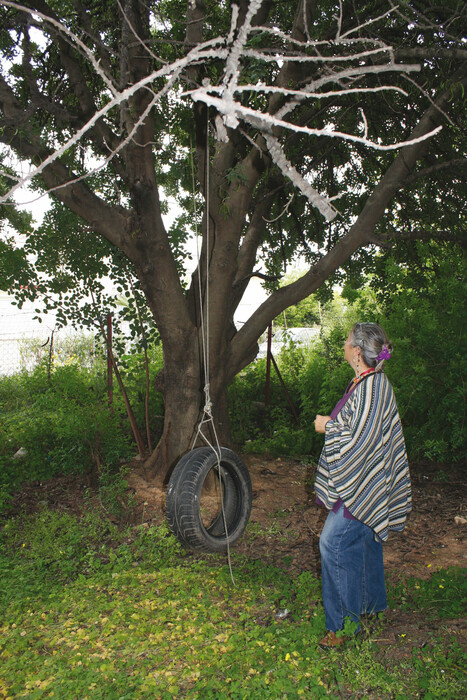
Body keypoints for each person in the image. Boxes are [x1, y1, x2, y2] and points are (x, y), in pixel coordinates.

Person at [314, 322, 411, 649]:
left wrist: (327, 425)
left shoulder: (371, 387)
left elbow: (361, 440)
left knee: (333, 543)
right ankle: (370, 604)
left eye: (346, 341)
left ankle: (342, 628)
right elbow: (364, 431)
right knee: (366, 539)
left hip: (360, 485)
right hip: (372, 481)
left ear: (357, 351)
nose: (343, 345)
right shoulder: (372, 382)